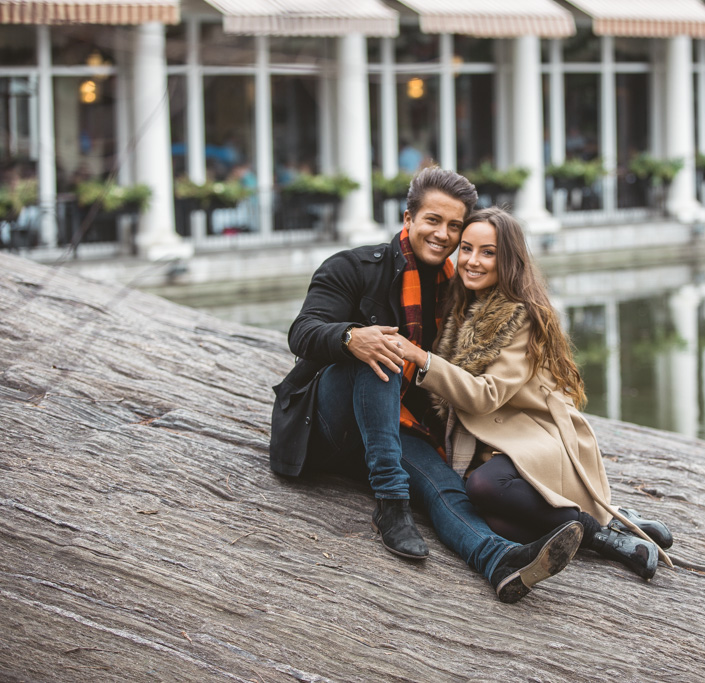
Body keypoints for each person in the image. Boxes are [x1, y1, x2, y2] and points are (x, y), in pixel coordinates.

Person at [269, 168, 583, 603]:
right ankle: (391, 503)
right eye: (433, 220)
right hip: (327, 425)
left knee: (445, 488)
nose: (443, 234)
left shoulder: (455, 289)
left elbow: (479, 376)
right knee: (382, 347)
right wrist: (350, 337)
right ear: (408, 218)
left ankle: (499, 562)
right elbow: (301, 332)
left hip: (396, 426)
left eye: (454, 226)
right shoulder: (353, 266)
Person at [396, 207, 674, 580]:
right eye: (466, 249)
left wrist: (422, 359)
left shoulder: (519, 314)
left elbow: (485, 396)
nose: (472, 261)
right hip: (499, 442)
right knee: (498, 523)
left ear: (508, 259)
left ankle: (601, 534)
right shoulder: (465, 304)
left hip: (537, 435)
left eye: (488, 252)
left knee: (484, 486)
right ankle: (616, 520)